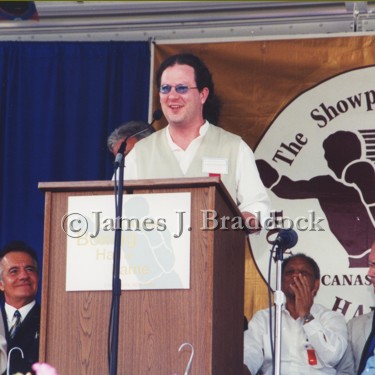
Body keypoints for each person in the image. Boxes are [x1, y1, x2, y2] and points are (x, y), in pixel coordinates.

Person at [123, 53, 270, 231]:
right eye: (165, 88)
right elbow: (116, 207)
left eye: (182, 88)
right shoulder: (140, 152)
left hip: (215, 254)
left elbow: (257, 205)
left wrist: (246, 218)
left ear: (202, 94)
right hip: (153, 254)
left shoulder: (234, 147)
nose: (172, 96)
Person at [243, 253, 348, 374]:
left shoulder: (331, 318)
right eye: (289, 272)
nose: (296, 276)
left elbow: (332, 356)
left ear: (316, 284)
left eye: (304, 273)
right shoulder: (264, 318)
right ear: (280, 283)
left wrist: (306, 315)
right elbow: (250, 354)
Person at [0, 240, 40, 374]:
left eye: (29, 269)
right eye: (14, 271)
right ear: (1, 284)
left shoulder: (52, 321)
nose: (23, 276)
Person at [344, 240, 375, 374]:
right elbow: (344, 371)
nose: (369, 273)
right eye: (370, 265)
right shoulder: (355, 326)